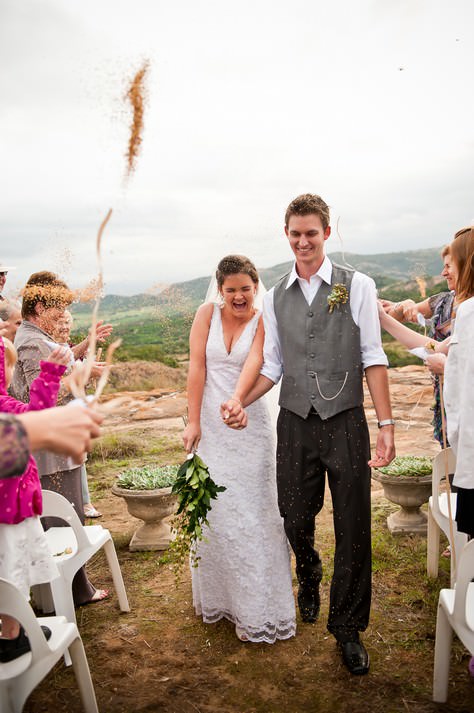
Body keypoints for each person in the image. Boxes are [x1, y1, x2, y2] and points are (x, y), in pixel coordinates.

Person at [222, 194, 395, 674]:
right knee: (294, 516)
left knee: (354, 527)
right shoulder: (275, 296)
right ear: (287, 235)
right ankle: (309, 567)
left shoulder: (355, 285)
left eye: (311, 233)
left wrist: (386, 424)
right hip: (295, 420)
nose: (303, 241)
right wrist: (241, 400)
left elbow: (373, 356)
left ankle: (347, 629)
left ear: (326, 233)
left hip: (346, 421)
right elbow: (273, 365)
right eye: (295, 233)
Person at [182, 255, 296, 644]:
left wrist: (237, 402)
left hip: (249, 424)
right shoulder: (205, 314)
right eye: (230, 290)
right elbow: (197, 367)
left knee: (254, 511)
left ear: (255, 287)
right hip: (210, 429)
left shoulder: (265, 319)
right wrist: (194, 420)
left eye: (245, 288)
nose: (238, 296)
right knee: (216, 510)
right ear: (220, 290)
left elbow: (256, 361)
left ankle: (260, 606)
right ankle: (221, 599)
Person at [10, 271, 108, 606]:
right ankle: (70, 592)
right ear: (39, 306)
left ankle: (71, 589)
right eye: (58, 308)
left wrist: (81, 350)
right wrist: (81, 374)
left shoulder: (37, 335)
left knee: (69, 516)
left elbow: (58, 365)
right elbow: (43, 397)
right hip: (50, 449)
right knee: (64, 520)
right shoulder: (31, 341)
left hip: (55, 442)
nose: (63, 314)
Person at [0, 336, 70, 661]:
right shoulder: (6, 409)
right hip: (10, 512)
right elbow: (39, 416)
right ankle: (12, 635)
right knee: (12, 572)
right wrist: (51, 373)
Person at [381, 246, 456, 445]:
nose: (443, 272)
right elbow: (401, 313)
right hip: (444, 401)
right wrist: (403, 304)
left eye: (449, 266)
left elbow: (435, 349)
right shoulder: (443, 301)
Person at [50, 310, 104, 518]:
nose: (64, 327)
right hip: (60, 410)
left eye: (67, 323)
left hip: (73, 407)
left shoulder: (68, 348)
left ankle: (83, 501)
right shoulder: (53, 350)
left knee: (79, 457)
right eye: (60, 323)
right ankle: (76, 505)